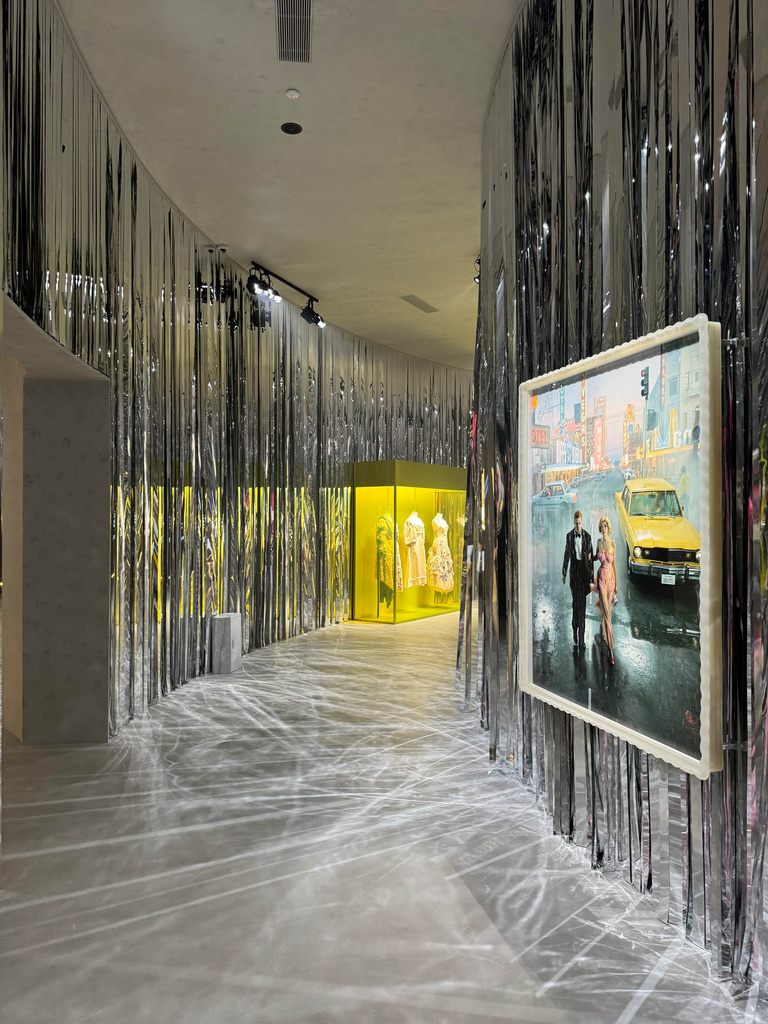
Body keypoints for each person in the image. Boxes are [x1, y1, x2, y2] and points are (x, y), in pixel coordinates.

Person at [562, 510, 594, 648]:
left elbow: (591, 561)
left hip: (584, 575)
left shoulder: (587, 537)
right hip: (574, 575)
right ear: (573, 523)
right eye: (576, 524)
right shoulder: (569, 536)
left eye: (580, 523)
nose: (578, 526)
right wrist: (564, 572)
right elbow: (566, 555)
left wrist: (591, 580)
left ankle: (582, 640)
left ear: (582, 522)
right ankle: (575, 630)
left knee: (582, 609)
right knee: (575, 607)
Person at [592, 515, 618, 665]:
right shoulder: (598, 542)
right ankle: (611, 649)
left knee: (607, 607)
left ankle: (603, 628)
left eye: (605, 526)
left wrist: (616, 586)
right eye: (602, 526)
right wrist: (588, 556)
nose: (603, 529)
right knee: (607, 614)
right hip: (601, 578)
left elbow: (614, 565)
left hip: (611, 580)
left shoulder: (613, 544)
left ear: (608, 528)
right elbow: (596, 558)